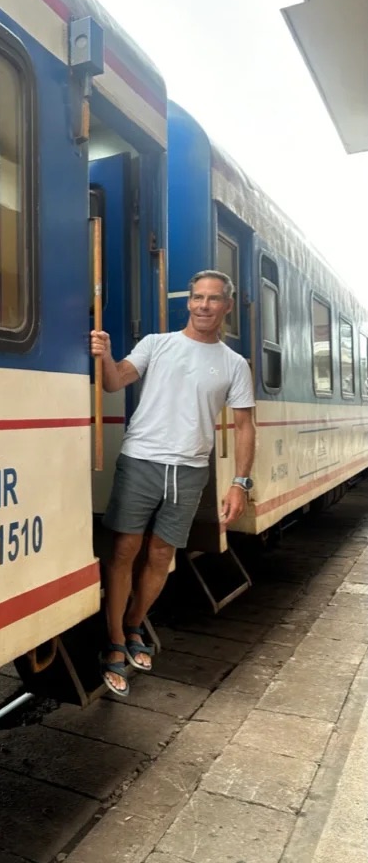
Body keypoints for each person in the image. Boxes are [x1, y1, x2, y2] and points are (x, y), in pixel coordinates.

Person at [90, 270, 256, 697]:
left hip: (189, 470)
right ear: (189, 302)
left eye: (213, 299)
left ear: (227, 306)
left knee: (162, 554)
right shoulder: (157, 344)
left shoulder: (234, 365)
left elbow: (244, 426)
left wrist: (240, 483)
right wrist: (105, 354)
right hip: (141, 460)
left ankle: (132, 625)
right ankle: (112, 642)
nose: (203, 305)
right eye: (197, 297)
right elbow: (114, 381)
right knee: (124, 551)